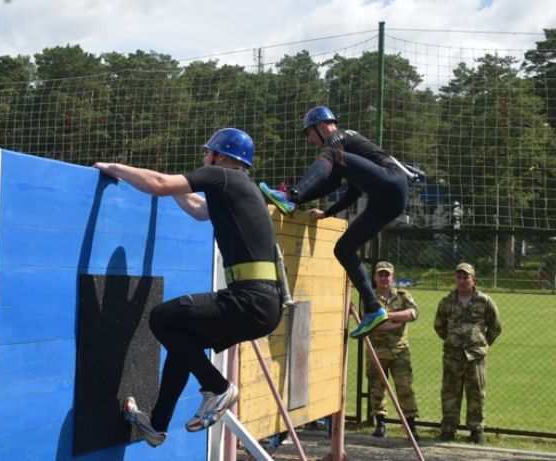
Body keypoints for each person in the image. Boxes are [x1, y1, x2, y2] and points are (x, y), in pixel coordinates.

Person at [94, 128, 282, 448]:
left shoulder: (222, 175)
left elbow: (158, 184)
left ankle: (217, 387)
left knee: (162, 318)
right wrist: (174, 189)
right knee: (183, 338)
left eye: (207, 152)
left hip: (249, 298)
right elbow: (198, 209)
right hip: (263, 306)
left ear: (220, 156)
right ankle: (156, 425)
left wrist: (115, 168)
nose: (203, 158)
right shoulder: (240, 186)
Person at [260, 106, 409, 338]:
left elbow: (334, 164)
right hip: (388, 202)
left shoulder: (339, 137)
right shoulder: (345, 154)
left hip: (393, 181)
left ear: (321, 126)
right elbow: (351, 192)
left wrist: (293, 196)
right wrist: (327, 213)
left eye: (309, 133)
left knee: (333, 157)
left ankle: (290, 197)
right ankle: (373, 309)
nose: (310, 140)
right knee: (343, 249)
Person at [434, 263, 502, 444]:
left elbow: (495, 327)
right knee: (449, 393)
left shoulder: (484, 301)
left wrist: (481, 343)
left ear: (473, 279)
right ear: (455, 279)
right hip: (452, 356)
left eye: (466, 277)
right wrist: (452, 340)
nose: (462, 281)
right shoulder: (447, 301)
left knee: (476, 394)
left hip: (475, 357)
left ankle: (476, 430)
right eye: (459, 277)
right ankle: (448, 429)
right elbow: (439, 326)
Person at [365, 261, 419, 440]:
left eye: (386, 275)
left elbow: (413, 314)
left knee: (405, 388)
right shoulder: (369, 297)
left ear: (392, 278)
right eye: (380, 274)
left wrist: (385, 316)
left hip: (399, 351)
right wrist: (397, 322)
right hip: (376, 351)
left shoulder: (403, 296)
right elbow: (371, 325)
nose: (383, 278)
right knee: (377, 388)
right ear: (375, 277)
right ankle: (380, 423)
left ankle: (411, 426)